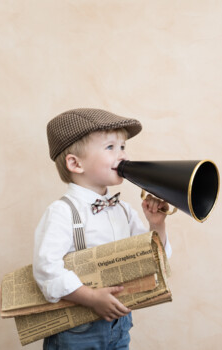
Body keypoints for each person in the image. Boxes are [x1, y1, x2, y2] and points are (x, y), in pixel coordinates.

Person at [33, 108, 171, 349]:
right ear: (75, 163)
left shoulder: (124, 210)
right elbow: (47, 270)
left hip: (120, 325)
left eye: (123, 147)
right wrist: (92, 298)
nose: (122, 156)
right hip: (77, 332)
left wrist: (156, 224)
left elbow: (155, 260)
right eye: (110, 148)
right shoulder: (62, 212)